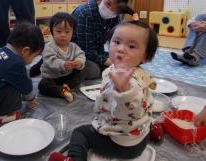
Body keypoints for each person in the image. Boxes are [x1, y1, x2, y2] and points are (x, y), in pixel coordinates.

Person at [48, 20, 158, 161]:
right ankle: (154, 129)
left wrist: (123, 92)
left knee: (80, 133)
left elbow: (132, 108)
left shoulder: (128, 84)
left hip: (122, 146)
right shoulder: (141, 73)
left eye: (131, 46)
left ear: (146, 56)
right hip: (140, 136)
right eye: (117, 42)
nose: (121, 49)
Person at [71, 0, 135, 79]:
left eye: (116, 9)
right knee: (94, 71)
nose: (110, 9)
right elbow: (86, 50)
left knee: (126, 62)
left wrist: (119, 57)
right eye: (108, 3)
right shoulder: (85, 13)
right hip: (76, 54)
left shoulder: (115, 16)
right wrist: (111, 62)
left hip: (96, 53)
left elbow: (115, 42)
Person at [38, 12, 86, 103]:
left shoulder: (74, 46)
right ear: (52, 32)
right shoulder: (49, 47)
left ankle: (66, 86)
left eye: (67, 32)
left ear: (72, 33)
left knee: (82, 71)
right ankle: (62, 92)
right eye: (59, 31)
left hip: (67, 77)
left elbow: (81, 55)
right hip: (52, 77)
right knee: (43, 85)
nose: (63, 35)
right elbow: (50, 61)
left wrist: (79, 62)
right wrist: (63, 64)